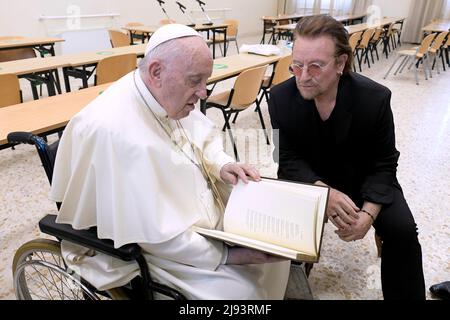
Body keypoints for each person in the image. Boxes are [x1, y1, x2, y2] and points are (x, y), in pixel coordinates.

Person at [50, 24, 291, 299]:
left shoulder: (164, 92)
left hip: (194, 216)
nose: (204, 93)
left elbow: (200, 135)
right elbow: (152, 234)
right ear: (156, 72)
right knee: (242, 295)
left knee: (276, 247)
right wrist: (227, 255)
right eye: (195, 81)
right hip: (152, 247)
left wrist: (222, 164)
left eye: (206, 81)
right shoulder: (113, 133)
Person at [268, 15, 425, 300]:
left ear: (340, 63)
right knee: (279, 230)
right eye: (297, 64)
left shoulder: (374, 98)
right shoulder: (279, 98)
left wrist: (368, 214)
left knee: (402, 232)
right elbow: (287, 158)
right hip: (311, 183)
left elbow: (384, 164)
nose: (303, 76)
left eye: (316, 66)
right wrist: (322, 192)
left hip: (365, 179)